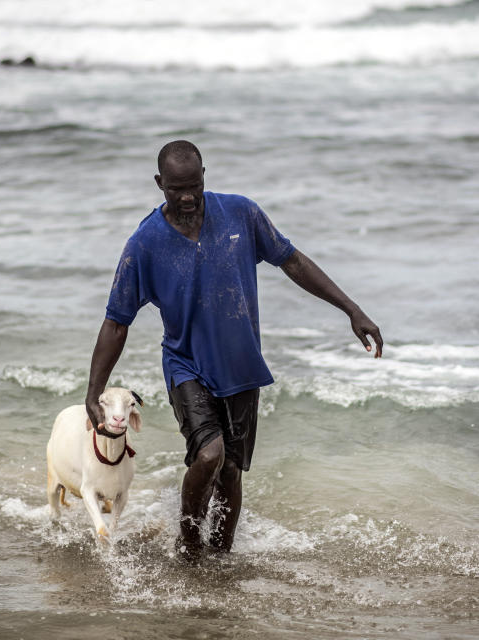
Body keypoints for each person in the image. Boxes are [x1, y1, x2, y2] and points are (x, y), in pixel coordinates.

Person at [85, 140, 383, 562]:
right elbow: (117, 322)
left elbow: (293, 262)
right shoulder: (145, 244)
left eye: (194, 186)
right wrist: (93, 390)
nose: (187, 197)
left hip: (242, 367)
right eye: (176, 189)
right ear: (159, 184)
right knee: (209, 454)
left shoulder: (242, 213)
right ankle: (188, 547)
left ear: (205, 175)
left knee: (230, 471)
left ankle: (220, 559)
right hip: (186, 365)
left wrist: (352, 309)